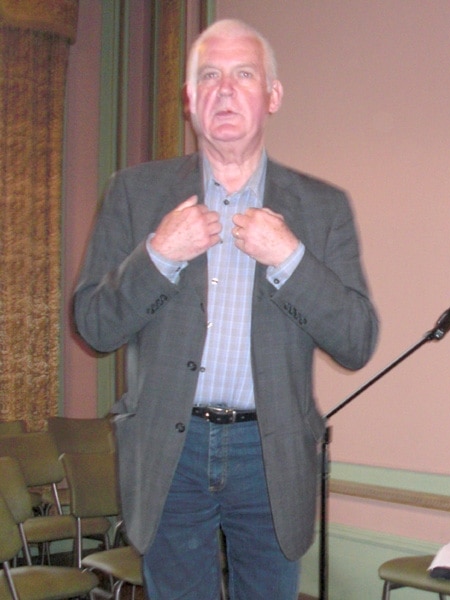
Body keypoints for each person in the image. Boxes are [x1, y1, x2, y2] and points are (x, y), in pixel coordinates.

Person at [73, 18, 379, 600]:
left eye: (244, 75)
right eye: (209, 76)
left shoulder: (323, 207)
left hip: (271, 452)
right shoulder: (134, 193)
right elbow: (94, 326)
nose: (225, 90)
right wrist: (158, 254)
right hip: (171, 448)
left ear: (273, 96)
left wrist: (290, 258)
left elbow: (357, 340)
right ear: (189, 99)